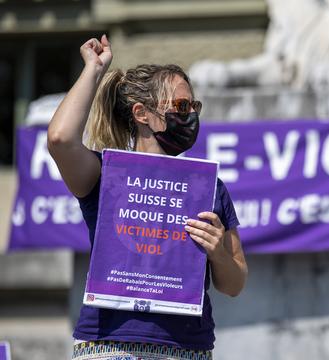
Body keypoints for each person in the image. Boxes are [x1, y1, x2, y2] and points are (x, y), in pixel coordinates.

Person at [47, 35, 248, 359]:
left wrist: (218, 252)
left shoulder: (209, 187)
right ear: (142, 113)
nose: (191, 115)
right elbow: (59, 139)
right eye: (181, 106)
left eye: (194, 107)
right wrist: (93, 70)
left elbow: (235, 284)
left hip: (186, 349)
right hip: (109, 345)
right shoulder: (105, 175)